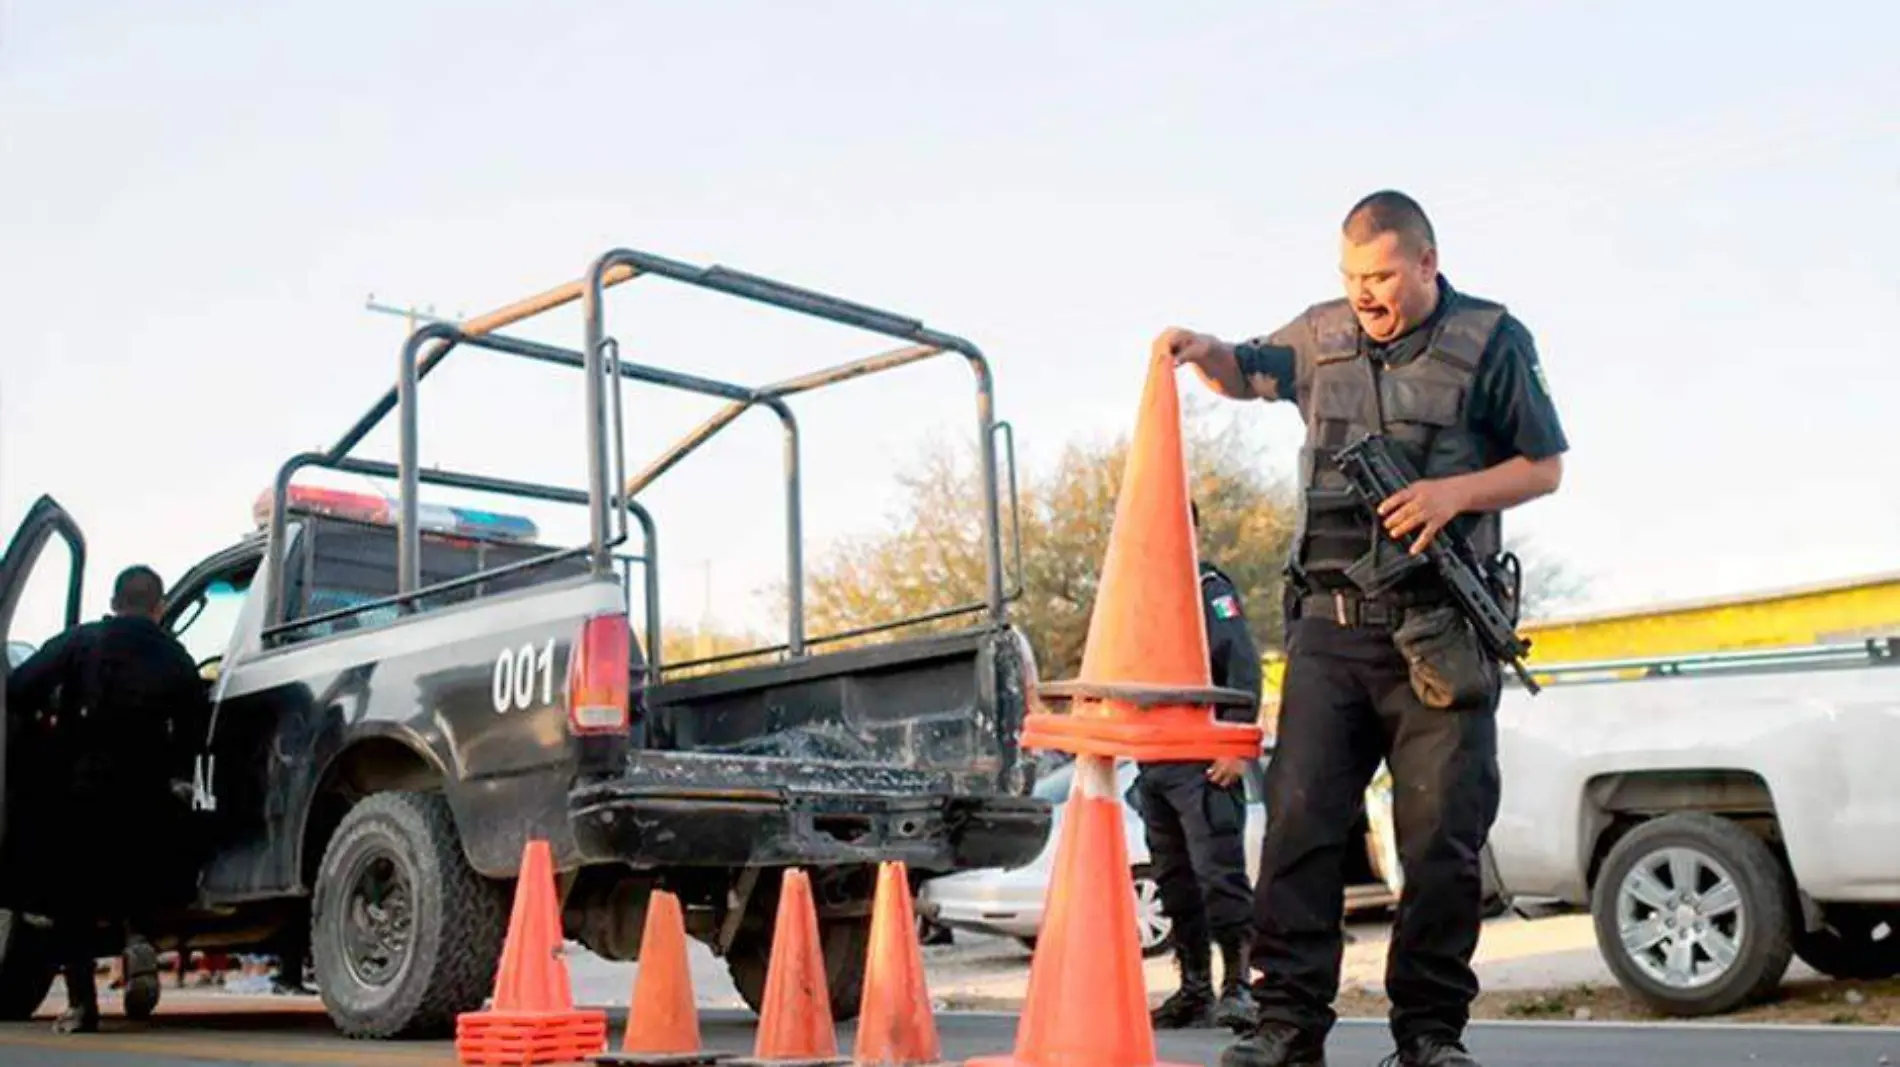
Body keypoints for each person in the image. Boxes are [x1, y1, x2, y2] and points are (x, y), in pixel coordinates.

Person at [1160, 190, 1568, 1067]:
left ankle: (1428, 1034)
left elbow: (1546, 466)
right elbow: (1248, 369)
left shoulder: (1493, 340)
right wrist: (1202, 354)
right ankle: (1287, 1026)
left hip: (1439, 633)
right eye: (1351, 277)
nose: (1366, 294)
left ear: (1426, 262)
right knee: (1301, 832)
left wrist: (1451, 495)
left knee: (1441, 844)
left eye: (1381, 275)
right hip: (1329, 632)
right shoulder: (1321, 333)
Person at [5, 564, 212, 1034]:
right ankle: (137, 936)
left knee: (70, 901)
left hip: (81, 794)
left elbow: (18, 688)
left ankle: (83, 1007)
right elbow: (195, 734)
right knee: (137, 879)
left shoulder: (81, 641)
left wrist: (48, 719)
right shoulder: (176, 657)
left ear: (115, 601)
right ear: (158, 608)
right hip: (146, 798)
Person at [1139, 501, 1264, 1033]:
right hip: (1155, 762)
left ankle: (1239, 987)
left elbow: (1240, 662)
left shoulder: (1210, 589)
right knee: (1175, 883)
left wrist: (1236, 745)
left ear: (1193, 530)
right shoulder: (1142, 596)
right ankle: (1195, 990)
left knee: (1220, 878)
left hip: (1203, 762)